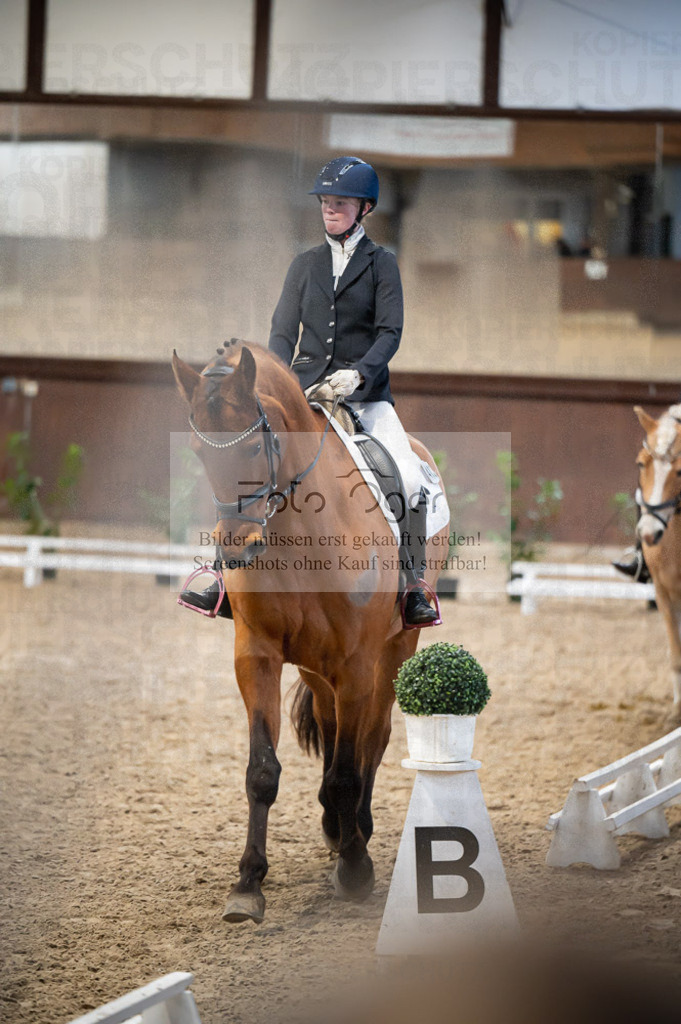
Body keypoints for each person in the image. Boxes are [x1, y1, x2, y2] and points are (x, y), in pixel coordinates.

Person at [181, 156, 440, 626]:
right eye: (325, 202)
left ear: (364, 209)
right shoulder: (304, 265)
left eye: (339, 203)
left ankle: (411, 588)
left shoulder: (383, 265)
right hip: (303, 394)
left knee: (410, 477)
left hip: (365, 396)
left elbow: (390, 333)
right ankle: (221, 577)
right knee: (247, 458)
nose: (329, 210)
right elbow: (281, 334)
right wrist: (276, 380)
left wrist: (359, 375)